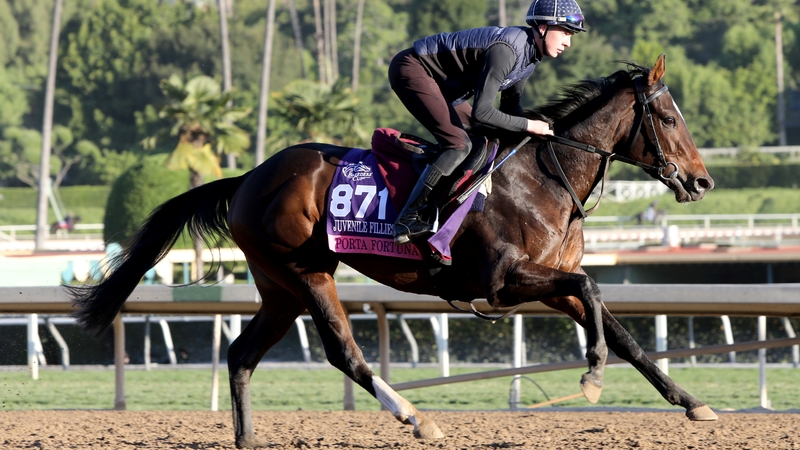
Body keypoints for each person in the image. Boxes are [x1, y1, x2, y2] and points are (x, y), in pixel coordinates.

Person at [388, 0, 586, 245]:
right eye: (565, 33)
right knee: (458, 145)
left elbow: (510, 108)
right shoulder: (507, 50)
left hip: (442, 86)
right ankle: (409, 217)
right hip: (412, 68)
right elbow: (483, 112)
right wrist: (529, 125)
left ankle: (446, 205)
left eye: (571, 35)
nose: (568, 42)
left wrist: (543, 125)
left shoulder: (531, 57)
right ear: (543, 27)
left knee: (480, 139)